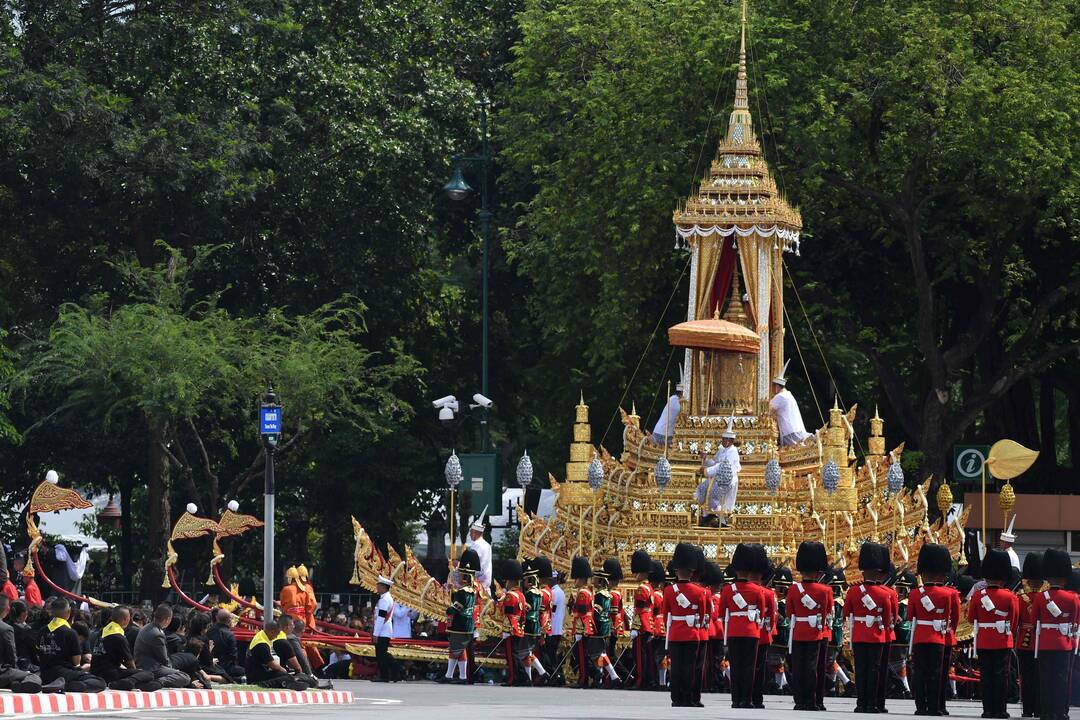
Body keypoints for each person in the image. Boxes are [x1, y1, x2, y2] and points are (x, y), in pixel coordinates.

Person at [842, 543, 894, 714]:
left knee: (861, 670)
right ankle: (871, 704)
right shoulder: (884, 593)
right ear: (878, 571)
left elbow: (846, 613)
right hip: (877, 635)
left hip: (858, 634)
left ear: (863, 570)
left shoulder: (853, 591)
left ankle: (860, 703)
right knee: (874, 670)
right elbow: (887, 618)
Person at [908, 543, 959, 717]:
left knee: (920, 673)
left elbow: (910, 617)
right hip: (940, 637)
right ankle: (936, 706)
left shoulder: (915, 593)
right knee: (938, 674)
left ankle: (921, 706)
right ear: (941, 573)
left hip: (920, 637)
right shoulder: (949, 593)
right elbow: (955, 619)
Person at [968, 549, 1019, 720]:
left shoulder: (977, 596)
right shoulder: (1010, 597)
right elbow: (1013, 621)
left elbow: (971, 619)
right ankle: (1000, 710)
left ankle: (987, 710)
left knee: (986, 676)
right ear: (1004, 576)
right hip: (1002, 640)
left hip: (983, 639)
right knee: (1001, 676)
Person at [1031, 548, 1079, 720]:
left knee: (1045, 680)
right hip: (1064, 643)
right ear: (1065, 577)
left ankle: (1046, 712)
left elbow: (1034, 619)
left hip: (1044, 642)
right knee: (1062, 680)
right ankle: (1060, 712)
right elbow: (1075, 621)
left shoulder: (1040, 597)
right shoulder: (1072, 598)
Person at [787, 541, 833, 712]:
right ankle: (812, 700)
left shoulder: (793, 589)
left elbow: (790, 612)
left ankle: (799, 700)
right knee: (813, 668)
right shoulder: (825, 590)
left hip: (798, 631)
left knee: (798, 667)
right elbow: (828, 612)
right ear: (818, 569)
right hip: (816, 632)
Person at [721, 543, 767, 709]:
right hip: (751, 631)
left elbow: (721, 612)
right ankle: (746, 700)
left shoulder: (727, 590)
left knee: (736, 666)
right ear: (750, 570)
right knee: (748, 667)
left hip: (733, 630)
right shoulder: (757, 590)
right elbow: (761, 612)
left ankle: (735, 699)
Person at [662, 543, 705, 707]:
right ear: (692, 571)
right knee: (689, 667)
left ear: (676, 570)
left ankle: (676, 698)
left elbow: (666, 614)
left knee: (676, 666)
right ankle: (687, 697)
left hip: (674, 633)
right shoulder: (699, 592)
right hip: (691, 633)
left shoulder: (668, 591)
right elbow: (701, 616)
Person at [36, 598, 106, 692]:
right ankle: (67, 686)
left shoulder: (42, 631)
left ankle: (60, 684)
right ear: (68, 612)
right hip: (63, 673)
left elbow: (38, 657)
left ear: (51, 612)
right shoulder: (70, 633)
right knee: (100, 682)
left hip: (44, 674)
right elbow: (76, 661)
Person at [89, 607, 162, 691]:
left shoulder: (102, 632)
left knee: (150, 683)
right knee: (148, 674)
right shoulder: (119, 637)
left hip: (95, 673)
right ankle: (128, 682)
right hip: (110, 674)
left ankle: (134, 683)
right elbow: (130, 664)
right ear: (126, 619)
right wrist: (137, 674)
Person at [441, 549, 479, 684]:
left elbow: (457, 607)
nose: (459, 577)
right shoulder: (472, 591)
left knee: (454, 649)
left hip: (460, 624)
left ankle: (448, 675)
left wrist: (448, 610)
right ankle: (462, 677)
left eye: (461, 575)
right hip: (468, 624)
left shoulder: (462, 592)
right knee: (461, 650)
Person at [133, 604, 190, 688]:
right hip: (151, 668)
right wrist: (174, 671)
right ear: (167, 619)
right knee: (184, 677)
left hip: (143, 665)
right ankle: (158, 682)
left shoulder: (146, 627)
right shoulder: (157, 634)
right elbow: (164, 660)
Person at [0, 595, 47, 693]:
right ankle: (17, 684)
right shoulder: (7, 629)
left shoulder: (8, 627)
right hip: (8, 669)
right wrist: (16, 672)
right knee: (35, 676)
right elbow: (11, 655)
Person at [244, 620, 308, 690]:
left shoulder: (260, 635)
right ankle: (265, 685)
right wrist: (284, 671)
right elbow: (273, 666)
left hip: (254, 672)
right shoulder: (262, 644)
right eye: (277, 634)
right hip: (256, 677)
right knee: (284, 676)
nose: (277, 636)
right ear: (272, 632)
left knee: (283, 675)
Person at [1016, 553, 1043, 719]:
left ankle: (1027, 709)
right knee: (1040, 677)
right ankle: (1039, 708)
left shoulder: (1020, 598)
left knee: (1026, 677)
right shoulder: (1045, 598)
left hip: (1024, 642)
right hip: (1041, 641)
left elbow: (1015, 622)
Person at [700, 418, 740, 526]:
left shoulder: (733, 451)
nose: (725, 441)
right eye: (723, 439)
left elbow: (722, 466)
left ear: (731, 441)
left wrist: (706, 471)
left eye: (727, 439)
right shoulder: (722, 449)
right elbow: (715, 462)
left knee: (718, 500)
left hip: (727, 480)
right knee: (706, 492)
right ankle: (708, 517)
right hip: (718, 479)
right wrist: (705, 459)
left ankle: (720, 521)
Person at [751, 551, 778, 709]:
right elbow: (772, 616)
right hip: (763, 633)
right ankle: (757, 697)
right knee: (759, 667)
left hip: (749, 631)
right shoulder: (768, 593)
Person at [499, 559, 528, 686]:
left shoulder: (510, 595)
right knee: (515, 654)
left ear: (510, 581)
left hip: (511, 628)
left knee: (511, 656)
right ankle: (521, 677)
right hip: (519, 627)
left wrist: (507, 630)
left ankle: (514, 677)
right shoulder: (520, 594)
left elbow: (509, 615)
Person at [629, 549, 655, 690]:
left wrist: (635, 628)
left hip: (642, 625)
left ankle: (640, 681)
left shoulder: (641, 589)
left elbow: (639, 611)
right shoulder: (649, 587)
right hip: (648, 624)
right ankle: (646, 679)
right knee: (645, 654)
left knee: (639, 655)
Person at [521, 558, 550, 685]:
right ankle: (539, 673)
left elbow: (525, 610)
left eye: (526, 579)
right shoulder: (539, 593)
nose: (524, 582)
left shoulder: (529, 594)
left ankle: (533, 676)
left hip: (529, 624)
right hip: (536, 625)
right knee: (528, 652)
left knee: (524, 652)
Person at [768, 361, 811, 446]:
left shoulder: (780, 397)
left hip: (790, 432)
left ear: (776, 387)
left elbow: (767, 411)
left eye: (773, 387)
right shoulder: (788, 395)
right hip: (797, 430)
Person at [570, 556, 596, 688]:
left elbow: (581, 613)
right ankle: (592, 674)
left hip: (582, 627)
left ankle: (584, 679)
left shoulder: (582, 593)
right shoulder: (588, 591)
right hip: (587, 626)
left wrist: (579, 630)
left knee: (581, 654)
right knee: (582, 654)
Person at [372, 575, 401, 682]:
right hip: (384, 630)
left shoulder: (384, 600)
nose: (377, 587)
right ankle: (392, 673)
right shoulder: (386, 598)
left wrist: (376, 633)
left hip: (382, 631)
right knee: (382, 654)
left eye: (378, 585)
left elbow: (381, 618)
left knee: (381, 654)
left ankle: (391, 673)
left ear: (383, 587)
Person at [207, 608, 244, 682]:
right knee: (243, 671)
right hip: (226, 667)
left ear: (217, 618)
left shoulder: (209, 631)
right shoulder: (230, 635)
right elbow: (233, 656)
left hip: (211, 665)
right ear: (229, 620)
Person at [649, 560, 669, 690]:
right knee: (663, 655)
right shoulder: (664, 594)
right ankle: (663, 681)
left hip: (656, 626)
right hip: (664, 627)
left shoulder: (656, 595)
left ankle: (659, 681)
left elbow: (651, 612)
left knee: (656, 656)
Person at [545, 566, 566, 686]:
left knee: (551, 655)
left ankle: (556, 676)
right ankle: (558, 675)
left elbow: (550, 610)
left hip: (552, 628)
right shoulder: (559, 591)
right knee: (553, 655)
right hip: (555, 627)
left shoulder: (554, 592)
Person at [465, 508, 493, 591]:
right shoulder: (487, 545)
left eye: (470, 532)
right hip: (486, 586)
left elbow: (471, 566)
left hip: (477, 586)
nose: (469, 535)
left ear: (474, 532)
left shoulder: (476, 546)